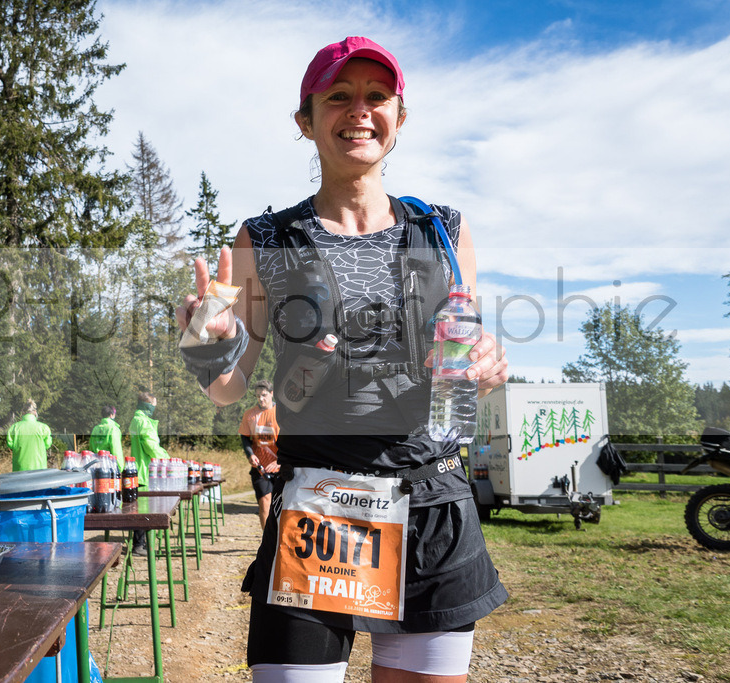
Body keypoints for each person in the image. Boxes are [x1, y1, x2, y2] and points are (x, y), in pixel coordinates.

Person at [176, 37, 510, 683]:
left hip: (435, 504)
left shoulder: (444, 230)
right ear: (306, 120)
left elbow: (464, 359)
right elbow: (228, 387)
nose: (359, 110)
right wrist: (208, 342)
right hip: (320, 511)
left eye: (376, 96)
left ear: (399, 118)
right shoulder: (265, 240)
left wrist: (490, 363)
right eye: (339, 96)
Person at [128, 391, 169, 555]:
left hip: (137, 469)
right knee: (143, 510)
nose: (154, 410)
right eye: (153, 406)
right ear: (147, 406)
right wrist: (166, 457)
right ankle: (139, 545)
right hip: (145, 471)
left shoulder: (136, 420)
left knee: (140, 508)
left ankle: (140, 544)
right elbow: (151, 447)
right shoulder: (143, 422)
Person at [239, 379, 280, 528]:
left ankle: (281, 538)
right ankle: (266, 541)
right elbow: (244, 437)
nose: (261, 399)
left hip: (280, 466)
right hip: (260, 468)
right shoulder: (250, 415)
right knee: (264, 502)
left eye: (263, 395)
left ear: (271, 394)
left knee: (283, 505)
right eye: (257, 396)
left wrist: (280, 461)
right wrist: (250, 454)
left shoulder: (281, 413)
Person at [6, 399, 53, 472]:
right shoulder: (43, 428)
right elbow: (47, 444)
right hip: (39, 469)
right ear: (35, 412)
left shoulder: (14, 428)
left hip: (19, 469)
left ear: (23, 412)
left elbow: (10, 444)